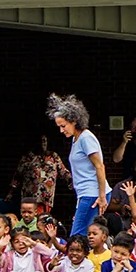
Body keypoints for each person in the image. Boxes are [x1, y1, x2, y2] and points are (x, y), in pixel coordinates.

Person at [47, 94, 109, 238]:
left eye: (63, 126)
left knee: (78, 236)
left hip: (92, 193)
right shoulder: (77, 139)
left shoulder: (86, 138)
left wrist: (101, 196)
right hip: (85, 193)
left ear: (74, 121)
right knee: (85, 234)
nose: (61, 130)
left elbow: (99, 166)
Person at [5, 136, 72, 215]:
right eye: (41, 141)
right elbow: (18, 176)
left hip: (46, 197)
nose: (43, 144)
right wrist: (10, 193)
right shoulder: (28, 157)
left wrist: (72, 181)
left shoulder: (53, 157)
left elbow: (63, 172)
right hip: (31, 196)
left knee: (43, 219)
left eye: (45, 141)